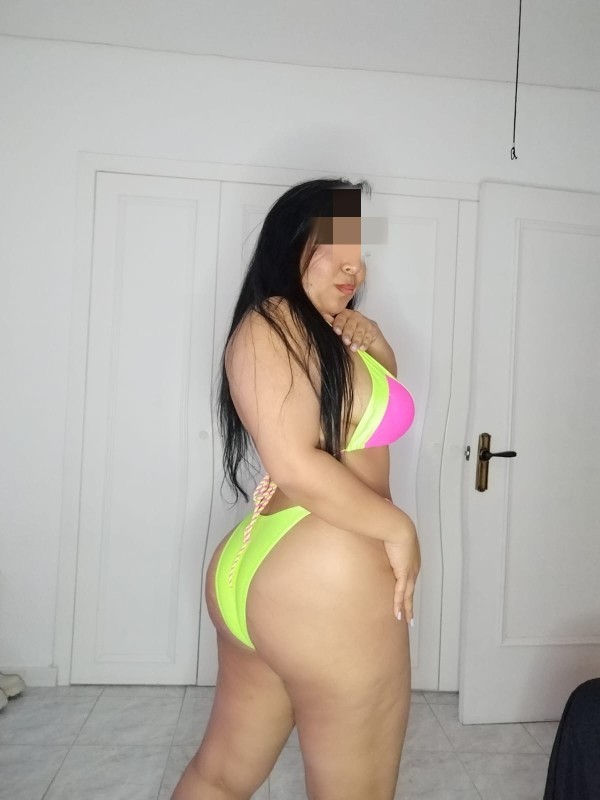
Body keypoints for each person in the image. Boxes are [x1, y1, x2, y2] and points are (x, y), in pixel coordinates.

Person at [172, 178, 421, 800]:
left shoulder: (318, 331)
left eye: (361, 252)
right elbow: (292, 462)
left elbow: (360, 417)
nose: (355, 266)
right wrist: (397, 527)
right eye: (338, 247)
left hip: (273, 568)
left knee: (220, 777)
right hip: (324, 573)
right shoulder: (274, 319)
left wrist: (375, 343)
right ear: (293, 242)